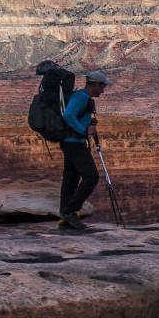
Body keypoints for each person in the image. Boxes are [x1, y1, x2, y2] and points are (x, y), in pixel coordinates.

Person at [58, 70, 113, 230]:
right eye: (102, 86)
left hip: (71, 142)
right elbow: (68, 115)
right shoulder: (81, 96)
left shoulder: (84, 97)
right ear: (94, 84)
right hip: (74, 143)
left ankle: (65, 214)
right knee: (91, 177)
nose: (103, 90)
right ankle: (70, 211)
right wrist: (83, 130)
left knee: (71, 178)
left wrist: (88, 126)